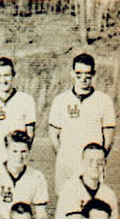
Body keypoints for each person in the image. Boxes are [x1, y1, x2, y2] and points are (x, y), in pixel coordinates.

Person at [49, 53, 115, 193]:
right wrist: (64, 155)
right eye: (79, 74)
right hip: (66, 164)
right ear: (72, 73)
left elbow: (108, 139)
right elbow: (54, 135)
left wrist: (96, 161)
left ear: (94, 74)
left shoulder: (104, 101)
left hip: (92, 165)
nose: (83, 78)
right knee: (66, 206)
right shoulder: (61, 100)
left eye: (87, 74)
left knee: (92, 207)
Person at [55, 143, 119, 219]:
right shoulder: (70, 187)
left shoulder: (108, 193)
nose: (95, 165)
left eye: (100, 162)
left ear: (105, 164)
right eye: (90, 161)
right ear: (82, 162)